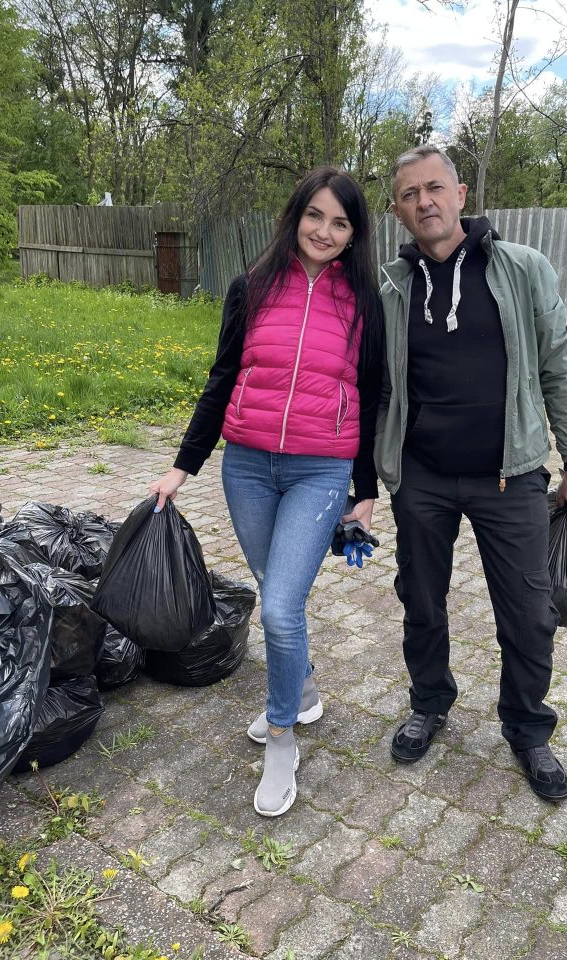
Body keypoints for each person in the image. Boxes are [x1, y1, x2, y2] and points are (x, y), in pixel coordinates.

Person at [150, 167, 383, 817]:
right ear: (295, 215)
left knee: (280, 609)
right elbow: (223, 376)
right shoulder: (250, 287)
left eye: (341, 223)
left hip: (320, 472)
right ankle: (301, 691)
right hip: (247, 467)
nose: (325, 231)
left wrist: (364, 490)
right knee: (272, 588)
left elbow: (373, 396)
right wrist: (182, 467)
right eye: (315, 215)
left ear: (354, 234)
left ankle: (282, 737)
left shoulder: (364, 302)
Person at [374, 145, 567, 801]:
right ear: (398, 210)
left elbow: (557, 365)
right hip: (422, 479)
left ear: (461, 194)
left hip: (511, 475)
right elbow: (380, 387)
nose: (424, 202)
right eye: (409, 194)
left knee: (529, 614)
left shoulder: (521, 268)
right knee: (421, 601)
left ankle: (527, 729)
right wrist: (379, 470)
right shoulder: (393, 288)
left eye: (434, 188)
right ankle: (429, 703)